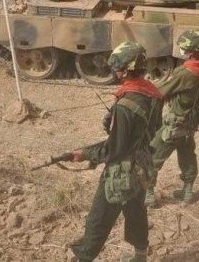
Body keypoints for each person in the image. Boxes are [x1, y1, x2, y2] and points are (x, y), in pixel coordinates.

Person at [68, 41, 162, 262]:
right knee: (136, 211)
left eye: (117, 68)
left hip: (122, 171)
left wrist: (86, 154)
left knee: (99, 218)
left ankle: (83, 257)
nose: (114, 71)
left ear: (125, 71)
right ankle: (140, 255)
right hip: (142, 163)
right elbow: (152, 128)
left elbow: (115, 149)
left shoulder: (124, 105)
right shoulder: (152, 92)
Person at [145, 30, 199, 207]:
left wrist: (143, 85)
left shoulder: (184, 73)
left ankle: (148, 194)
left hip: (175, 123)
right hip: (191, 122)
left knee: (153, 155)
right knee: (187, 155)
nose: (181, 50)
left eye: (183, 47)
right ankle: (188, 191)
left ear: (190, 52)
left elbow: (160, 91)